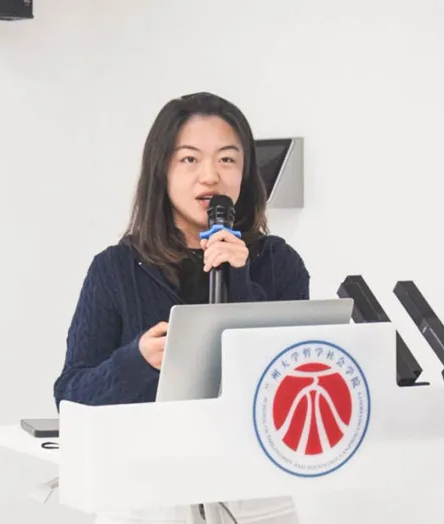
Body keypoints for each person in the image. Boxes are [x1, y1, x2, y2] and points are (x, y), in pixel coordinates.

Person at [53, 92, 309, 524]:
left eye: (227, 159)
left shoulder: (278, 263)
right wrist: (136, 361)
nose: (210, 176)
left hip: (254, 494)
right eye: (190, 159)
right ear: (162, 170)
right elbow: (70, 396)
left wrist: (239, 279)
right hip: (147, 494)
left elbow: (290, 384)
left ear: (246, 173)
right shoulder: (115, 269)